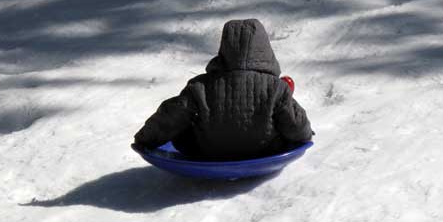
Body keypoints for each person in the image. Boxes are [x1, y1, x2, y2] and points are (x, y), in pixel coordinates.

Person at [132, 19, 313, 161]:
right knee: (282, 123)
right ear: (265, 50)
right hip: (264, 150)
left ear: (224, 48)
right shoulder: (276, 87)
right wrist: (304, 135)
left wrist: (145, 139)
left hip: (208, 152)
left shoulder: (201, 86)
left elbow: (170, 116)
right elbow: (297, 127)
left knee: (183, 125)